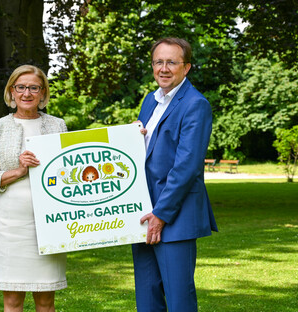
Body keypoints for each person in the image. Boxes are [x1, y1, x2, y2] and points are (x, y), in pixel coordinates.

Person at [132, 38, 218, 312]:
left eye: (172, 62)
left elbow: (187, 166)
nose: (164, 68)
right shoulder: (150, 100)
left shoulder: (195, 104)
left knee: (179, 298)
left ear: (187, 67)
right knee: (147, 298)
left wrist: (161, 214)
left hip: (174, 215)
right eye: (159, 62)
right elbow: (147, 152)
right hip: (143, 213)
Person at [0, 65, 68, 312]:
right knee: (13, 301)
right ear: (12, 92)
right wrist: (18, 171)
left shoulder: (58, 125)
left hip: (50, 222)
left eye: (33, 88)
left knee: (46, 301)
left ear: (42, 93)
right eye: (21, 87)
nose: (27, 93)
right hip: (11, 225)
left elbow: (69, 171)